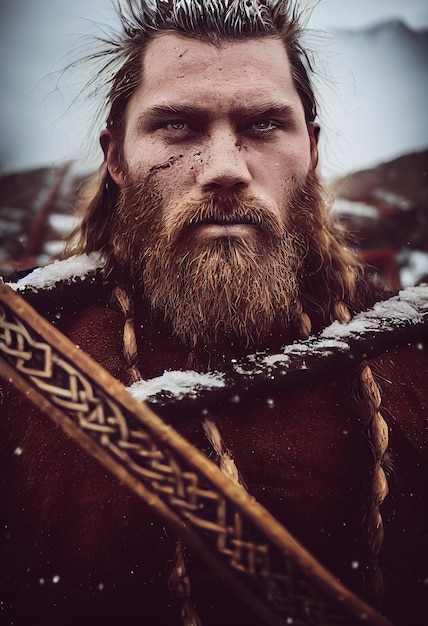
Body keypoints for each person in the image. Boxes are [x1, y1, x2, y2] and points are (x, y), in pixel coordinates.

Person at [0, 1, 427, 625]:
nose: (225, 170)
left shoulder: (409, 358)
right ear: (116, 157)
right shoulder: (20, 365)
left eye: (262, 125)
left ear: (309, 150)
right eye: (177, 126)